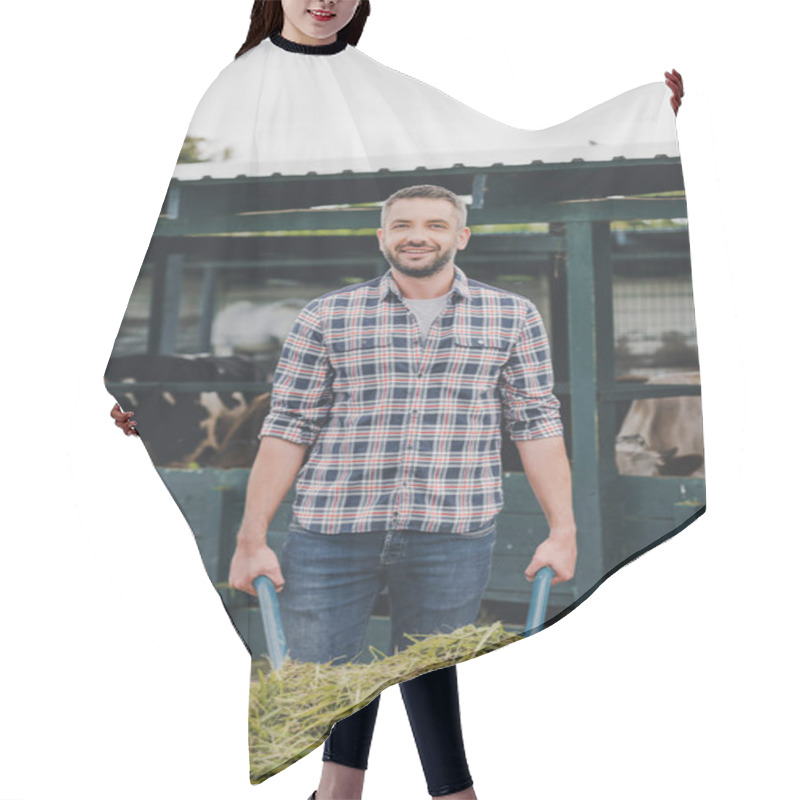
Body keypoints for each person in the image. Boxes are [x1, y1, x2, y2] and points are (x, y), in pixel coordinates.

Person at [108, 3, 684, 798]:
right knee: (326, 670)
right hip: (334, 524)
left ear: (462, 235)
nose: (418, 235)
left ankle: (420, 791)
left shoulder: (510, 317)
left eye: (434, 224)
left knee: (429, 657)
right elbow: (289, 425)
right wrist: (251, 533)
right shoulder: (327, 313)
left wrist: (640, 121)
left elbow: (536, 423)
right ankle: (362, 788)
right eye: (403, 224)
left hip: (452, 523)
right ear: (383, 237)